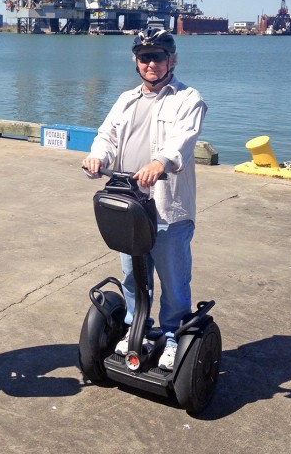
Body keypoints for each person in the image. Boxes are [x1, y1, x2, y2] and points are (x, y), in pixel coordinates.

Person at [82, 27, 207, 371]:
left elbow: (183, 139)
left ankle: (171, 336)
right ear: (136, 62)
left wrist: (159, 162)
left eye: (158, 56)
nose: (151, 63)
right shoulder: (126, 99)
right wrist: (98, 158)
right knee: (132, 276)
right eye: (145, 57)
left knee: (173, 280)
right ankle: (137, 328)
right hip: (129, 205)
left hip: (169, 209)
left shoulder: (188, 99)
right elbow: (106, 136)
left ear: (172, 60)